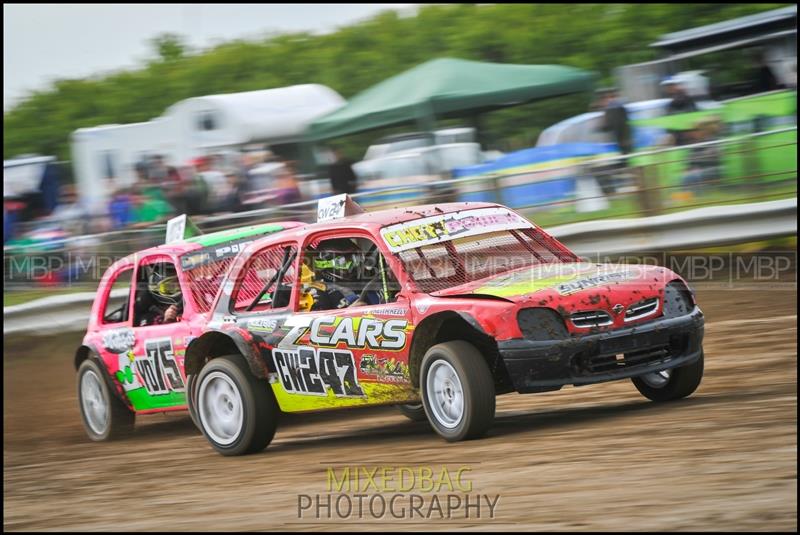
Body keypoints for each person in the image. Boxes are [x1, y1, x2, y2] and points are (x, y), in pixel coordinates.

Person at [303, 239, 384, 311]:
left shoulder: (370, 278)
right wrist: (347, 313)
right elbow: (312, 324)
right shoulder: (318, 291)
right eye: (343, 262)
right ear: (325, 264)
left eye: (354, 258)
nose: (351, 266)